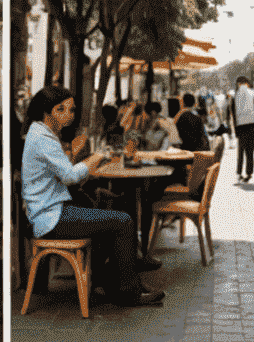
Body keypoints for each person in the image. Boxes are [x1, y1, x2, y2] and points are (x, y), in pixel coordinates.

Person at [19, 84, 162, 310]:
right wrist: (96, 157)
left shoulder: (41, 133)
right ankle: (129, 292)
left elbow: (61, 174)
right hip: (51, 218)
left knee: (110, 219)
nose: (69, 115)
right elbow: (69, 176)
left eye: (72, 110)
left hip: (49, 213)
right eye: (62, 110)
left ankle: (108, 284)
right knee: (123, 221)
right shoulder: (43, 138)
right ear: (48, 112)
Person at [231, 75, 254, 182]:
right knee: (250, 151)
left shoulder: (234, 96)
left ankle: (239, 173)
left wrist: (235, 129)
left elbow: (233, 114)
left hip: (240, 126)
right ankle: (249, 173)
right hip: (252, 125)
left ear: (238, 84)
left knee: (241, 151)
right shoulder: (252, 92)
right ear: (246, 83)